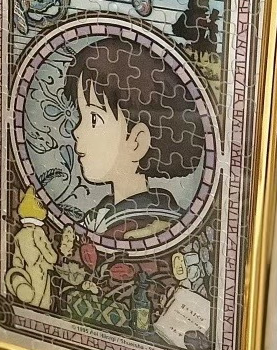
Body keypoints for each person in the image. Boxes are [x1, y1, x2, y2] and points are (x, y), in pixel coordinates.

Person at [62, 37, 205, 240]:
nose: (76, 131)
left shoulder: (149, 227)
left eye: (94, 118)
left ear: (137, 142)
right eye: (81, 116)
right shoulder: (101, 217)